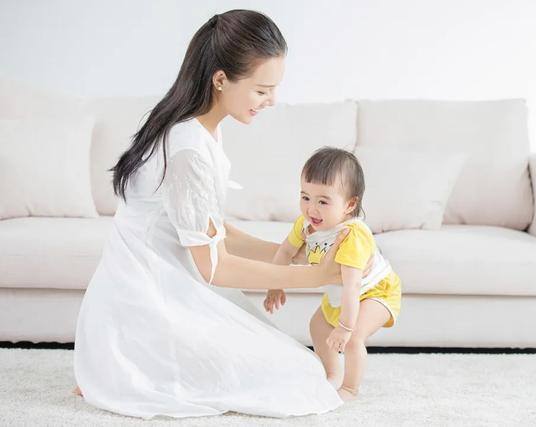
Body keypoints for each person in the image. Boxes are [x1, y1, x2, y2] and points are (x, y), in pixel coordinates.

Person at [72, 10, 363, 419]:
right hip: (144, 303)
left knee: (295, 366)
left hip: (152, 288)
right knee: (299, 379)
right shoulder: (188, 147)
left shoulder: (196, 127)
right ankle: (120, 365)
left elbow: (210, 228)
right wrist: (315, 275)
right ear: (221, 79)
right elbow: (215, 268)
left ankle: (116, 364)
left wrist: (286, 253)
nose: (272, 101)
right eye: (262, 90)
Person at [263, 147, 402, 402]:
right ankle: (332, 374)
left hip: (374, 291)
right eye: (305, 197)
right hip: (341, 294)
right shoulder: (305, 225)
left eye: (323, 202)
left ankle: (350, 388)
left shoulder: (351, 235)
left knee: (353, 337)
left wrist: (345, 327)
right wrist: (275, 284)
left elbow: (352, 286)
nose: (311, 209)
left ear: (350, 205)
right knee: (317, 327)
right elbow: (285, 252)